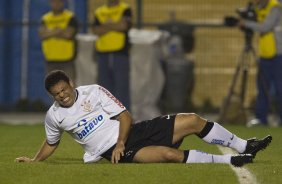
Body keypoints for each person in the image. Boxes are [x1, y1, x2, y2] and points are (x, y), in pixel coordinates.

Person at [15, 70, 272, 167]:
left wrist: (121, 141)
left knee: (192, 119)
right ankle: (230, 161)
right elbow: (51, 142)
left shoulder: (94, 91)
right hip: (110, 152)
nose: (63, 96)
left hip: (129, 135)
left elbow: (125, 116)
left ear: (71, 83)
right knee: (168, 156)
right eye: (57, 94)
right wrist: (35, 160)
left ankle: (244, 145)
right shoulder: (54, 116)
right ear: (52, 95)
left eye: (65, 90)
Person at [237, 0, 282, 126]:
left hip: (278, 55)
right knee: (262, 87)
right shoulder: (258, 7)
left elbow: (265, 26)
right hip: (265, 54)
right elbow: (255, 22)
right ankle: (261, 119)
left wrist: (246, 23)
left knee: (280, 89)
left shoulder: (275, 7)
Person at [91, 0, 132, 110]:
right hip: (102, 53)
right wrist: (114, 25)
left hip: (120, 53)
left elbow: (123, 26)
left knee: (121, 87)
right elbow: (95, 30)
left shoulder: (125, 9)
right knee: (104, 88)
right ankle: (106, 116)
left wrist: (106, 25)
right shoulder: (99, 11)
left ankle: (125, 116)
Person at [38, 0, 79, 81]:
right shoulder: (45, 18)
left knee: (69, 87)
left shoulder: (70, 17)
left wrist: (50, 32)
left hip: (67, 60)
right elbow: (42, 34)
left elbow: (68, 34)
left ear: (63, 3)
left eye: (59, 2)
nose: (56, 4)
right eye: (54, 2)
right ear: (50, 3)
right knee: (52, 89)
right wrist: (59, 31)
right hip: (50, 60)